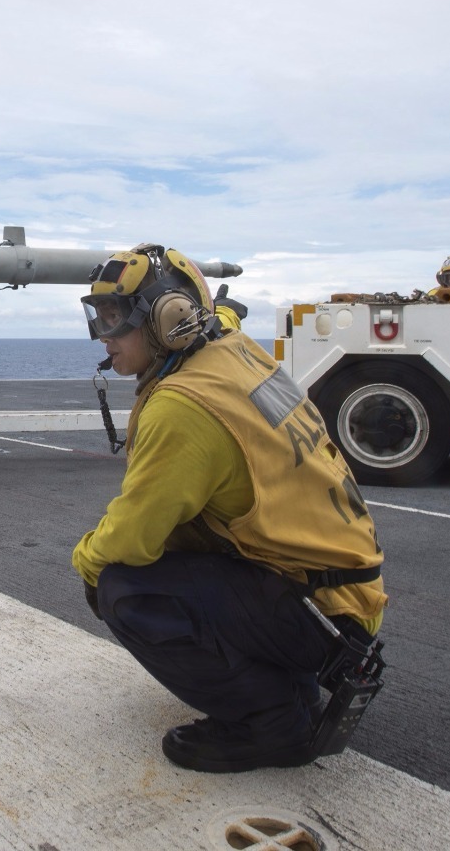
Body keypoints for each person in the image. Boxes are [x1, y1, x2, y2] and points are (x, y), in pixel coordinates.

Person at [72, 243, 386, 773]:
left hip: (324, 616)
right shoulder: (230, 347)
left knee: (120, 586)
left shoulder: (184, 406)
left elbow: (131, 537)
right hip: (340, 592)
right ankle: (287, 682)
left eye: (116, 318)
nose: (104, 336)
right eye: (98, 317)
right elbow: (220, 316)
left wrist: (84, 562)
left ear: (169, 319)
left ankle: (272, 723)